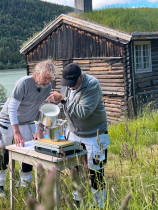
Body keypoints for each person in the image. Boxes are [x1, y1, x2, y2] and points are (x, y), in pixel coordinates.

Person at [46, 63, 110, 208]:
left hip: (95, 135)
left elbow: (84, 112)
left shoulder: (92, 85)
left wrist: (62, 99)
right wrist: (55, 103)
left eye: (73, 83)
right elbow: (65, 105)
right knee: (74, 169)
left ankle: (99, 204)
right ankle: (77, 199)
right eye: (67, 84)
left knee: (95, 173)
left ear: (81, 77)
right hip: (74, 134)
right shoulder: (67, 85)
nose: (70, 87)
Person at [0, 59, 56, 197]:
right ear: (37, 73)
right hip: (9, 121)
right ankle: (0, 184)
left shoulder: (48, 87)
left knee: (28, 154)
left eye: (50, 78)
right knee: (4, 153)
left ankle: (25, 184)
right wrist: (16, 132)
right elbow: (12, 108)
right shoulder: (24, 83)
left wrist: (40, 128)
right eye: (45, 78)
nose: (47, 81)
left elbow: (46, 109)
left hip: (27, 121)